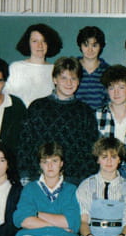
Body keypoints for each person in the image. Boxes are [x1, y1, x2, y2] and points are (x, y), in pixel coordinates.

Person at [17, 57, 100, 185]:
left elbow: (91, 150)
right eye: (64, 78)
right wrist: (26, 175)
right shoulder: (37, 107)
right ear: (55, 79)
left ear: (78, 81)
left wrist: (84, 181)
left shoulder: (85, 112)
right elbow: (24, 145)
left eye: (73, 78)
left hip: (73, 181)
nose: (69, 83)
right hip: (38, 179)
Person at [96, 64, 126, 185]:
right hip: (105, 170)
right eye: (112, 88)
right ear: (107, 90)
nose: (116, 92)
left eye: (121, 87)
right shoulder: (98, 114)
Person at [5, 23, 63, 107]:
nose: (40, 45)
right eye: (35, 41)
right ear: (28, 43)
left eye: (44, 41)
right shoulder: (16, 67)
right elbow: (6, 96)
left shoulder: (55, 69)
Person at [75, 26, 109, 110]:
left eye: (94, 45)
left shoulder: (108, 71)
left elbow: (110, 100)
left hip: (100, 116)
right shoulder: (72, 68)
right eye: (86, 45)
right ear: (80, 46)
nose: (90, 50)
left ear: (100, 46)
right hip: (74, 116)